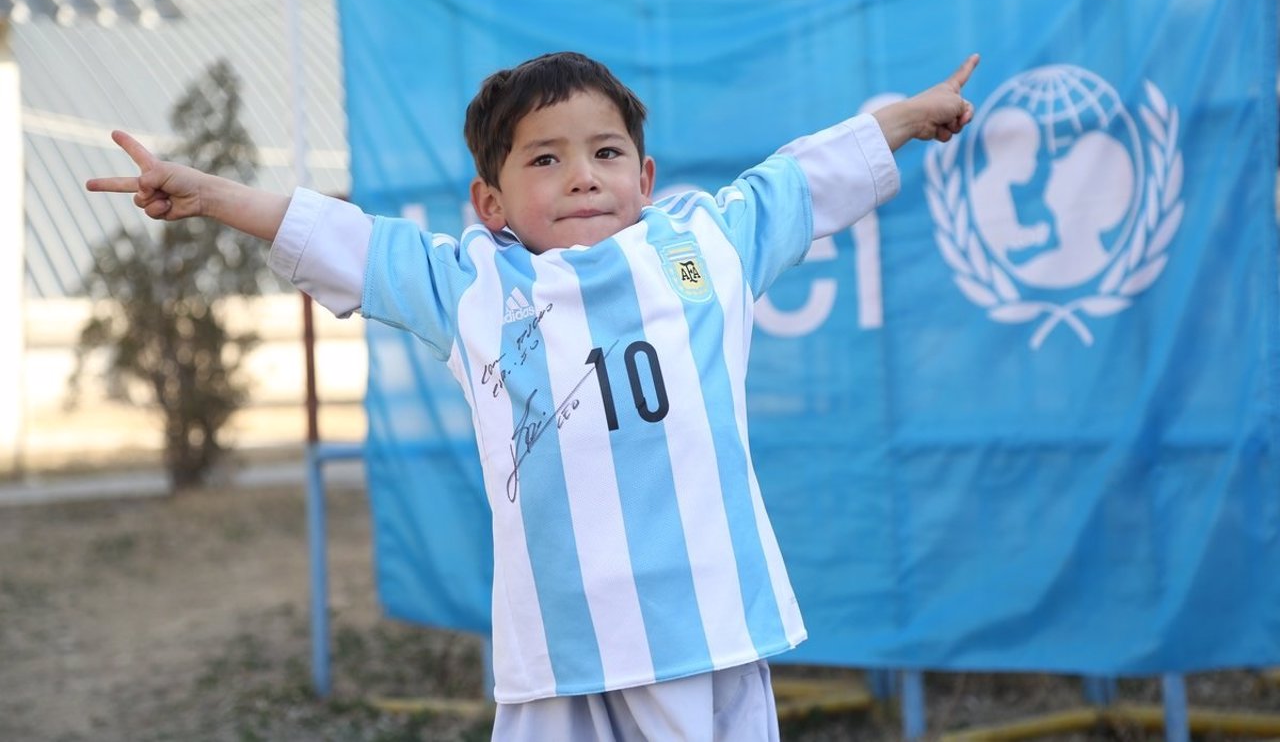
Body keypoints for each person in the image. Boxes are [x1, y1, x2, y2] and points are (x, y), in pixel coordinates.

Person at [88, 50, 978, 741]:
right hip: (557, 648)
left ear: (646, 177)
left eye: (606, 152)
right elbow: (345, 239)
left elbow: (801, 180)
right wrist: (206, 194)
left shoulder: (704, 245)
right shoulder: (470, 285)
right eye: (546, 158)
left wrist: (906, 116)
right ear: (492, 201)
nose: (583, 174)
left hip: (702, 631)